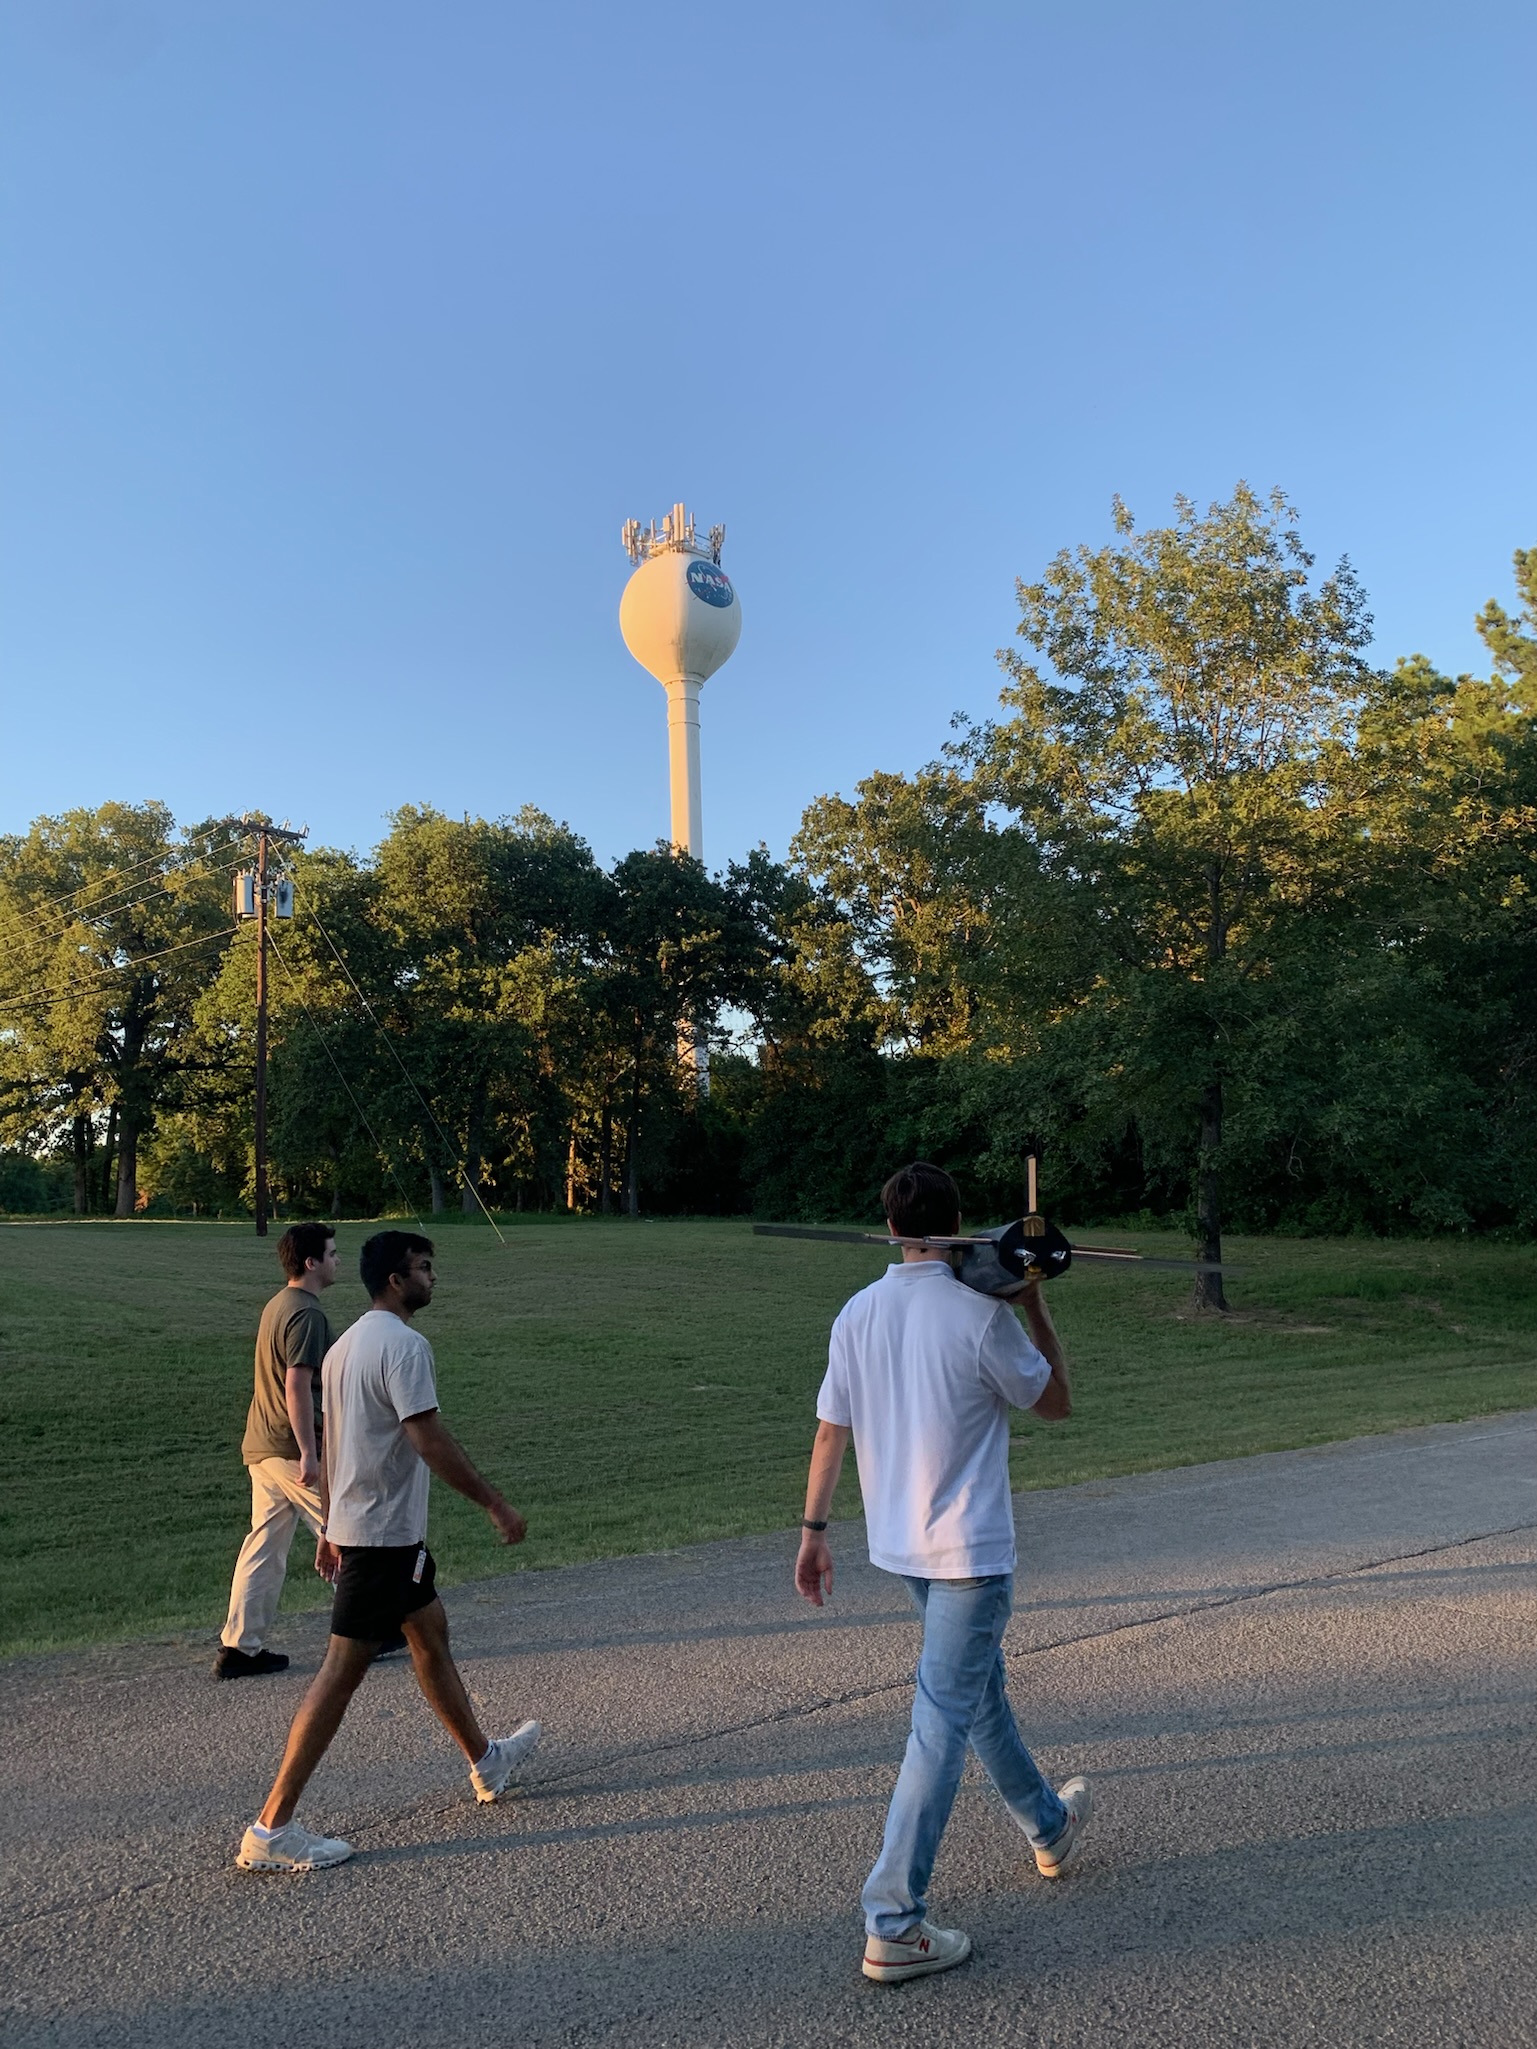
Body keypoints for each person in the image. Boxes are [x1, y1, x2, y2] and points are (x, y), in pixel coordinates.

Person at [794, 1162, 1091, 1984]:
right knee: (940, 1722)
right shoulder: (978, 1317)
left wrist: (814, 1532)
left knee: (973, 1691)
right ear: (958, 1224)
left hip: (903, 1549)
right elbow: (1056, 1402)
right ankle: (892, 1919)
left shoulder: (855, 1313)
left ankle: (1046, 1824)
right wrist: (1033, 1304)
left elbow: (829, 1432)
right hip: (967, 1554)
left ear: (890, 1227)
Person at [236, 1229, 540, 1872]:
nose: (434, 1278)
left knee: (430, 1637)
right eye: (425, 1268)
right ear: (397, 1281)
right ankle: (271, 1828)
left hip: (379, 1536)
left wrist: (329, 1529)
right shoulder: (404, 1346)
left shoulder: (346, 1346)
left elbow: (339, 1443)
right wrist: (493, 1502)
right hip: (379, 1541)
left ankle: (487, 1763)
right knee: (339, 1676)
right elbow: (426, 1437)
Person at [215, 1222, 343, 1680]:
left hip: (262, 1444)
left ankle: (240, 1648)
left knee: (264, 1547)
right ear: (311, 1262)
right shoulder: (306, 1313)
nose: (337, 1259)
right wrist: (311, 1452)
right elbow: (295, 1384)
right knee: (345, 1530)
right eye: (331, 1252)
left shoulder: (277, 1304)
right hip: (290, 1448)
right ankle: (374, 1625)